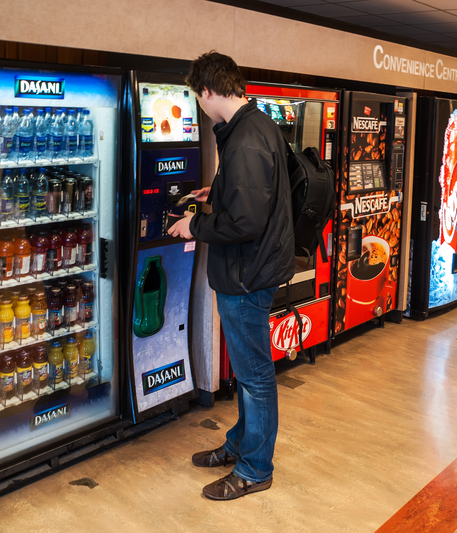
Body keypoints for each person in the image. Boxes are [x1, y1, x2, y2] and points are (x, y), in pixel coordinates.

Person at [168, 51, 294, 501]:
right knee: (247, 373)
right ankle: (241, 444)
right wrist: (215, 192)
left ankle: (255, 468)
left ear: (205, 91)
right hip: (255, 268)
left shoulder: (243, 141)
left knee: (255, 376)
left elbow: (246, 222)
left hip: (246, 275)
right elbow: (255, 195)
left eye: (195, 96)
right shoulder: (255, 125)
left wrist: (194, 225)